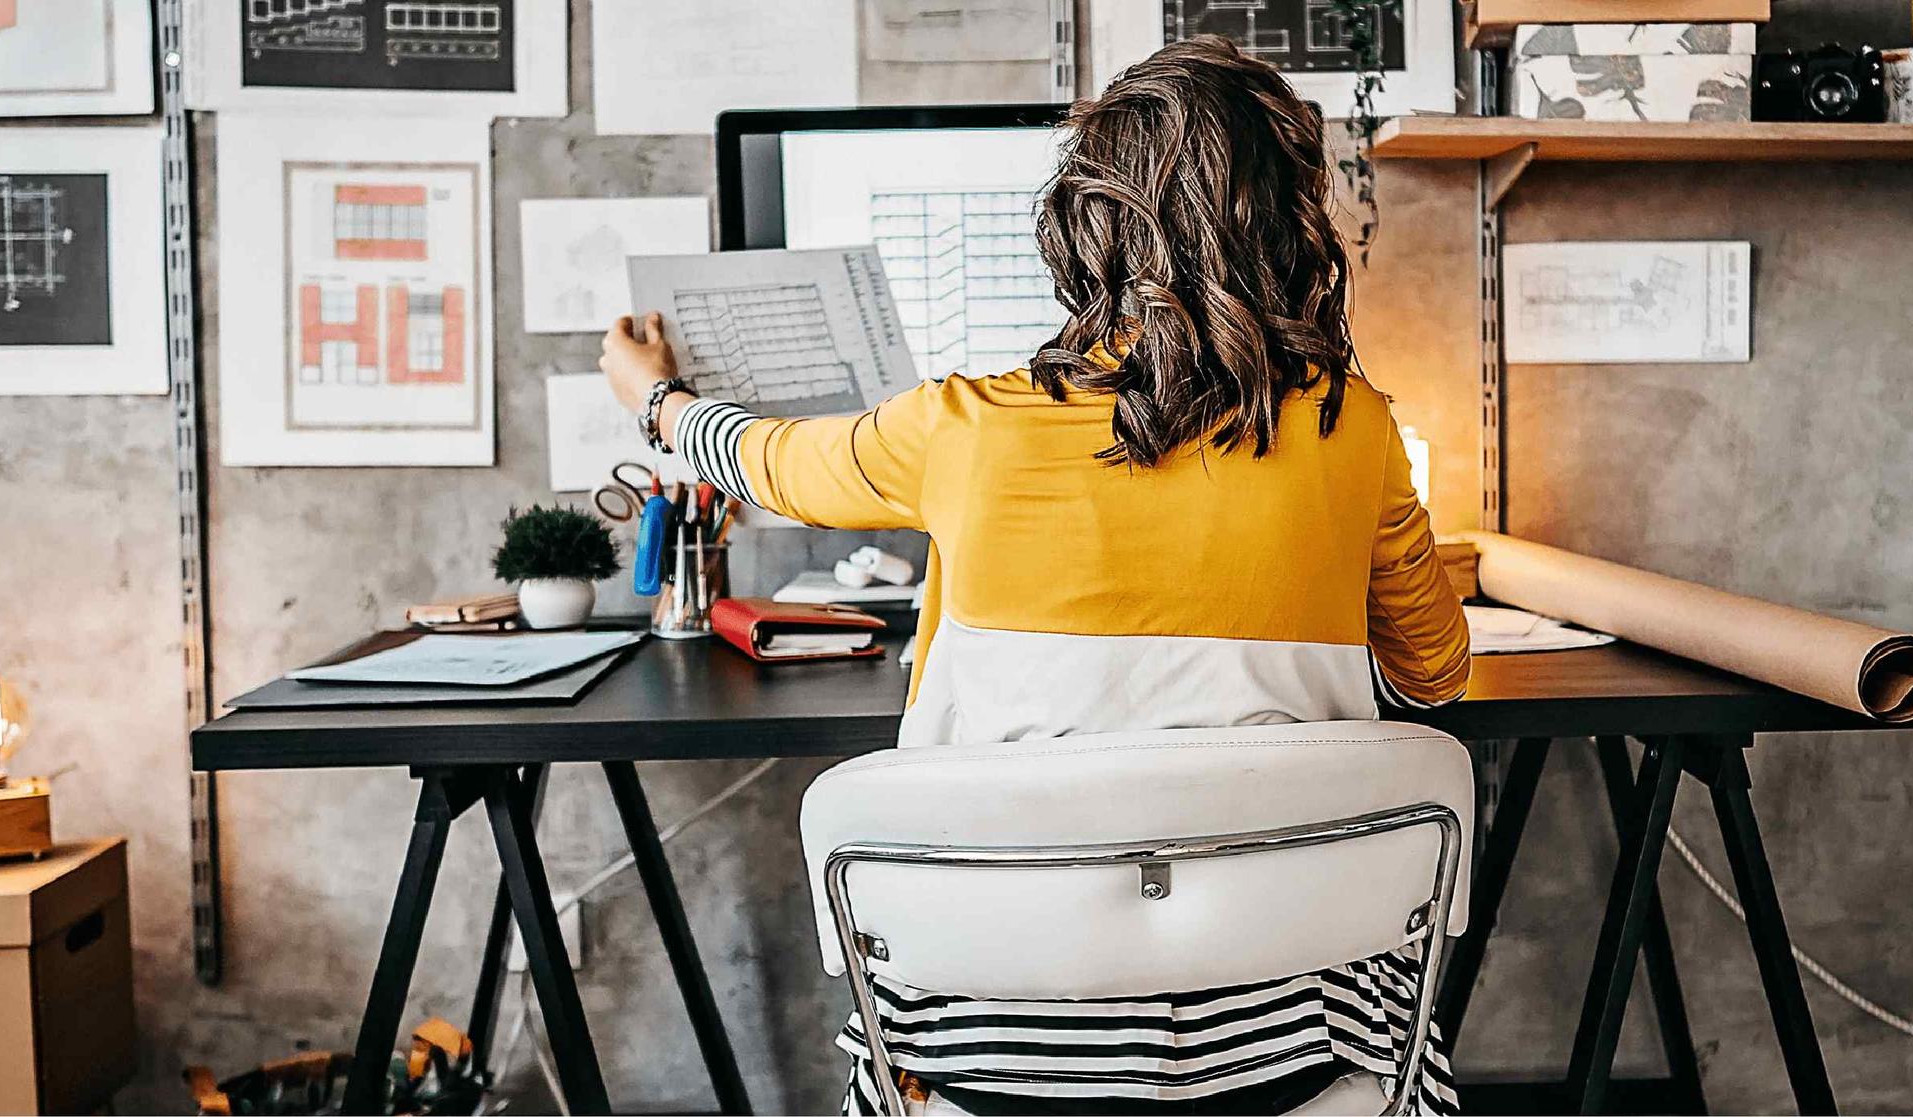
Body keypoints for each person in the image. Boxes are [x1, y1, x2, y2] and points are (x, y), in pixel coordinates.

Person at [599, 35, 1472, 1117]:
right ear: (1288, 227)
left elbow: (767, 460)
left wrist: (654, 400)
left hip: (988, 1059)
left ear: (1085, 224)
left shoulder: (961, 428)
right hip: (1288, 1059)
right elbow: (1434, 679)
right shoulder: (1356, 433)